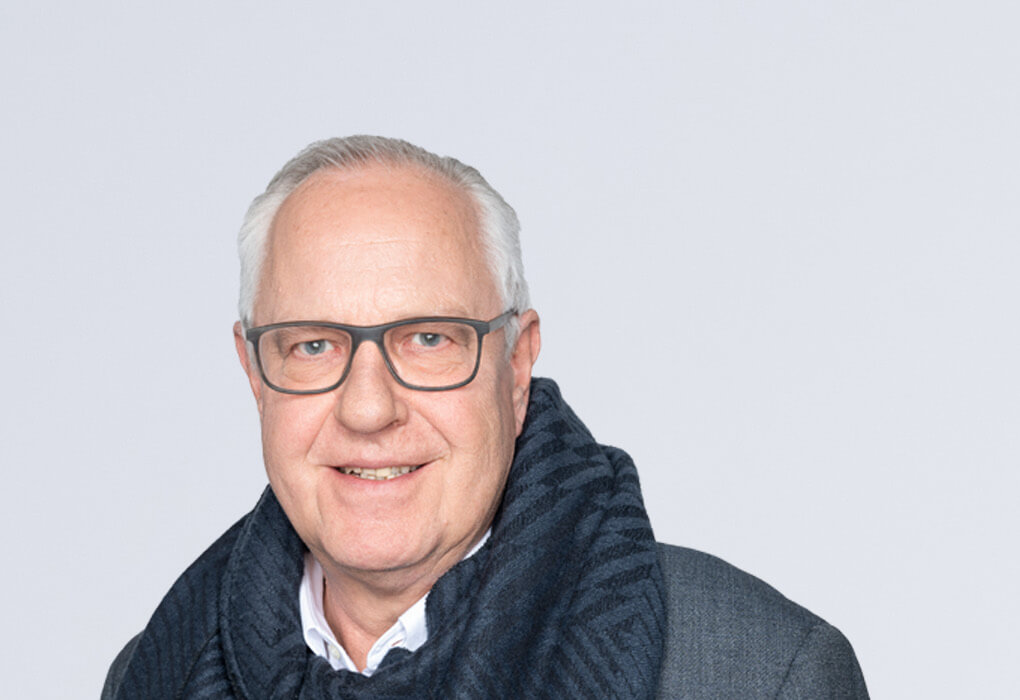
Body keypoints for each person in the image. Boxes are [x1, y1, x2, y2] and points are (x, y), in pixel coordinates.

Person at [101, 136, 867, 699]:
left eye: (429, 339)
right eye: (313, 345)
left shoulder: (763, 673)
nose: (368, 407)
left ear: (517, 364)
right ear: (254, 373)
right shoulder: (154, 673)